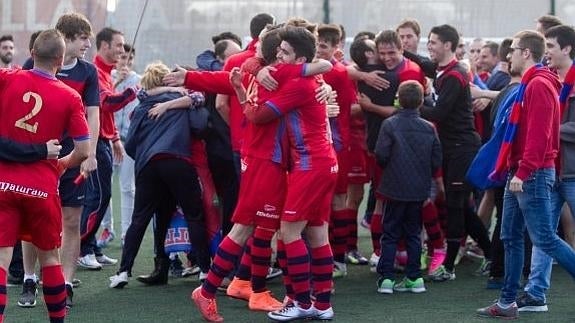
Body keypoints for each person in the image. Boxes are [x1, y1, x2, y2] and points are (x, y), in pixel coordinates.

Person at [477, 30, 575, 320]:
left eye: (513, 50)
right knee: (511, 236)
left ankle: (512, 299)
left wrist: (524, 170)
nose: (508, 55)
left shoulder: (538, 85)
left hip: (530, 173)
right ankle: (507, 302)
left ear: (526, 53)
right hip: (520, 172)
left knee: (544, 238)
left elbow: (541, 136)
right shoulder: (533, 84)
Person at [0, 29, 90, 323]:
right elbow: (83, 151)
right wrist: (62, 163)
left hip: (3, 184)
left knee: (1, 259)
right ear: (61, 59)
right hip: (42, 187)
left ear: (32, 54)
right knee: (50, 259)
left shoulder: (8, 78)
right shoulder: (70, 96)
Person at [18, 12, 101, 310]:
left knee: (71, 219)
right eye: (82, 38)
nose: (88, 44)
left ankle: (64, 284)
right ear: (64, 39)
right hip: (39, 156)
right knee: (31, 218)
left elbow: (94, 113)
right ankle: (29, 278)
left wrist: (89, 153)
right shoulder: (33, 64)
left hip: (73, 155)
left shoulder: (88, 73)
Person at [108, 61, 211, 290]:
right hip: (178, 161)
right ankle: (205, 270)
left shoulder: (141, 108)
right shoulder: (184, 102)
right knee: (194, 216)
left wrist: (146, 153)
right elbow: (201, 125)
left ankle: (124, 272)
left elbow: (131, 143)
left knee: (141, 219)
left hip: (148, 166)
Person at [421, 24, 491, 281]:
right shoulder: (443, 70)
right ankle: (492, 254)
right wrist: (403, 52)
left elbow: (439, 114)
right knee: (461, 206)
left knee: (455, 204)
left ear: (448, 45)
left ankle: (448, 266)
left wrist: (411, 107)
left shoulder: (454, 75)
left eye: (433, 42)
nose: (429, 46)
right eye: (428, 41)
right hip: (454, 147)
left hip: (462, 148)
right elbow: (422, 62)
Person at [516, 24, 575, 313]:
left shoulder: (547, 83)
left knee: (544, 236)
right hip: (551, 170)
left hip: (570, 172)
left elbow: (549, 128)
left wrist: (549, 129)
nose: (546, 52)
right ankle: (536, 293)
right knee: (543, 236)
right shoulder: (547, 80)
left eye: (551, 46)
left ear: (567, 49)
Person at [374, 80, 442, 294]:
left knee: (390, 233)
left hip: (393, 188)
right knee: (414, 233)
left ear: (398, 98)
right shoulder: (429, 127)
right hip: (418, 189)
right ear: (421, 101)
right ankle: (414, 277)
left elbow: (381, 155)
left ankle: (386, 279)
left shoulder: (389, 124)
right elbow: (436, 160)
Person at [79, 27, 137, 270]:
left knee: (102, 196)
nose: (122, 51)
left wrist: (114, 139)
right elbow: (108, 104)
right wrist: (134, 92)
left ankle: (90, 246)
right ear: (104, 46)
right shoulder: (94, 72)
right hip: (93, 143)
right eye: (119, 46)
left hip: (104, 141)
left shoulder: (105, 72)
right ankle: (81, 248)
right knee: (97, 197)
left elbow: (105, 115)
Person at [98, 43, 141, 247]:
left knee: (127, 188)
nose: (126, 62)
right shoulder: (107, 77)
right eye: (123, 57)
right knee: (104, 187)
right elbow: (104, 103)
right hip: (109, 139)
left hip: (128, 142)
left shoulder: (139, 81)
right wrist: (117, 82)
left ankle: (127, 232)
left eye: (130, 59)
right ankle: (107, 228)